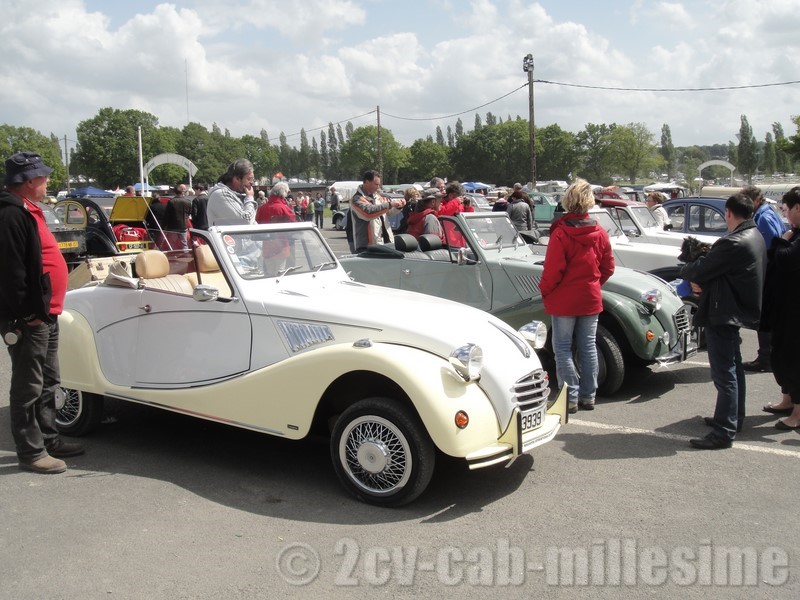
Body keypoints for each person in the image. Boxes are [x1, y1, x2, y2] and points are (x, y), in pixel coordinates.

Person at [0, 151, 85, 474]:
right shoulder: (10, 214)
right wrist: (27, 314)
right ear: (28, 181)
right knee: (28, 386)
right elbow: (10, 273)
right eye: (43, 177)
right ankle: (31, 451)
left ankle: (48, 439)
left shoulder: (26, 208)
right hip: (30, 316)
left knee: (49, 381)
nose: (47, 181)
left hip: (44, 312)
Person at [681, 193, 766, 449]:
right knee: (733, 368)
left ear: (728, 213)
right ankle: (731, 418)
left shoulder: (733, 242)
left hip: (724, 312)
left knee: (724, 373)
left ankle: (724, 431)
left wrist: (692, 267)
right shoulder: (754, 235)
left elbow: (699, 269)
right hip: (733, 309)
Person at [539, 178, 615, 414]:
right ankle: (588, 395)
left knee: (562, 348)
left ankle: (569, 397)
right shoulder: (600, 232)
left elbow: (552, 271)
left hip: (564, 298)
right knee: (587, 346)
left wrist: (545, 290)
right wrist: (593, 284)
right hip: (589, 296)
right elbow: (608, 267)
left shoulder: (561, 233)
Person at [759, 186, 800, 429]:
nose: (785, 215)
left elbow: (786, 259)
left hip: (795, 312)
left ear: (798, 208)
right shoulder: (794, 233)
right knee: (780, 354)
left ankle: (798, 414)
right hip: (784, 308)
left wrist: (781, 241)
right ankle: (787, 400)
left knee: (793, 359)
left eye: (786, 210)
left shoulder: (794, 237)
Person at [740, 185, 785, 373]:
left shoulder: (764, 217)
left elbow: (765, 248)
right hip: (771, 272)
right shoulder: (767, 213)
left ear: (757, 200)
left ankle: (766, 358)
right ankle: (767, 356)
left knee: (764, 318)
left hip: (767, 274)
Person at [350, 170, 405, 253]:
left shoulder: (378, 197)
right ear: (367, 182)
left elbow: (388, 213)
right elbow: (368, 213)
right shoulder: (356, 199)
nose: (378, 187)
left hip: (385, 242)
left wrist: (398, 207)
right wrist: (390, 204)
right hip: (367, 247)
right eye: (376, 184)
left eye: (379, 184)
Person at [255, 182, 296, 274]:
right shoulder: (284, 208)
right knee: (280, 273)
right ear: (283, 194)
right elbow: (293, 224)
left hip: (267, 246)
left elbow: (258, 222)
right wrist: (290, 209)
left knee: (269, 273)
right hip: (281, 246)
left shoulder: (262, 208)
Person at [206, 159, 256, 226]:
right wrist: (250, 198)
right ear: (237, 179)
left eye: (253, 179)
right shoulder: (221, 195)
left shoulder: (235, 195)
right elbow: (246, 222)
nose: (252, 183)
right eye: (249, 179)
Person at [165, 183, 191, 249]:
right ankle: (185, 253)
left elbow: (167, 214)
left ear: (175, 193)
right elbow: (189, 213)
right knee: (184, 243)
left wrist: (165, 225)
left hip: (173, 226)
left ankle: (174, 253)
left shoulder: (171, 201)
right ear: (182, 192)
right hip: (183, 225)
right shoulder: (188, 202)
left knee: (172, 243)